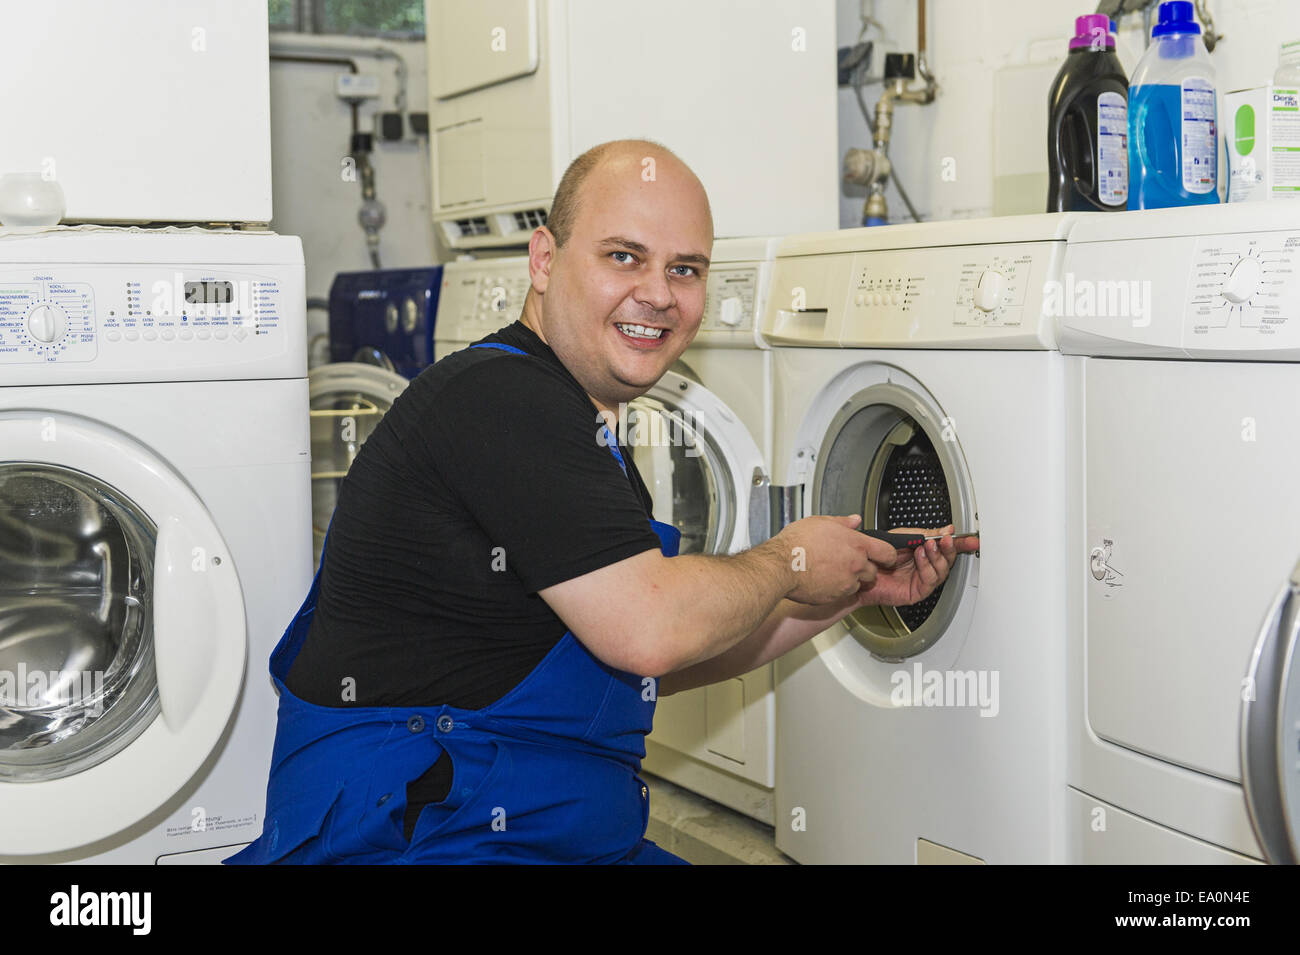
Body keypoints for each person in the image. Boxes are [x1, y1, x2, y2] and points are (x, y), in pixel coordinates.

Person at [226, 139, 978, 866]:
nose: (657, 293)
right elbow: (649, 630)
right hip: (416, 833)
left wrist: (850, 590)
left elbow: (654, 657)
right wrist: (790, 559)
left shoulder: (577, 424)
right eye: (625, 256)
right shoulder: (500, 398)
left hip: (530, 830)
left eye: (685, 269)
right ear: (545, 260)